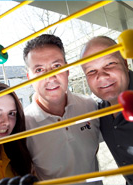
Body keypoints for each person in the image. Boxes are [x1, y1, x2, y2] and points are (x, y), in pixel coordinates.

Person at [23, 34, 102, 185]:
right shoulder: (23, 125)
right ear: (29, 77)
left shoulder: (90, 106)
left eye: (56, 66)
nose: (50, 77)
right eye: (39, 70)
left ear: (67, 70)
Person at [81, 36, 133, 184]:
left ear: (124, 62)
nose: (102, 76)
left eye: (110, 63)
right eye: (91, 71)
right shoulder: (100, 112)